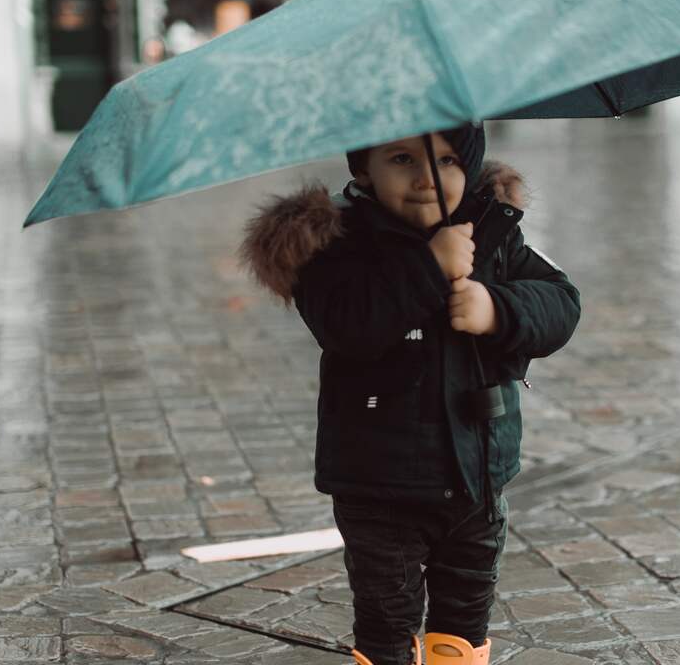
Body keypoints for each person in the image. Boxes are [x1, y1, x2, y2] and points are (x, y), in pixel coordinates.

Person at [239, 124, 580, 665]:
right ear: (363, 169)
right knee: (387, 619)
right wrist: (430, 266)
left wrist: (498, 309)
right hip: (380, 482)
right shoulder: (335, 242)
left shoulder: (489, 228)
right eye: (402, 159)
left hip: (477, 473)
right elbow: (347, 327)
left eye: (447, 160)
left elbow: (561, 302)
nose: (426, 178)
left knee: (465, 617)